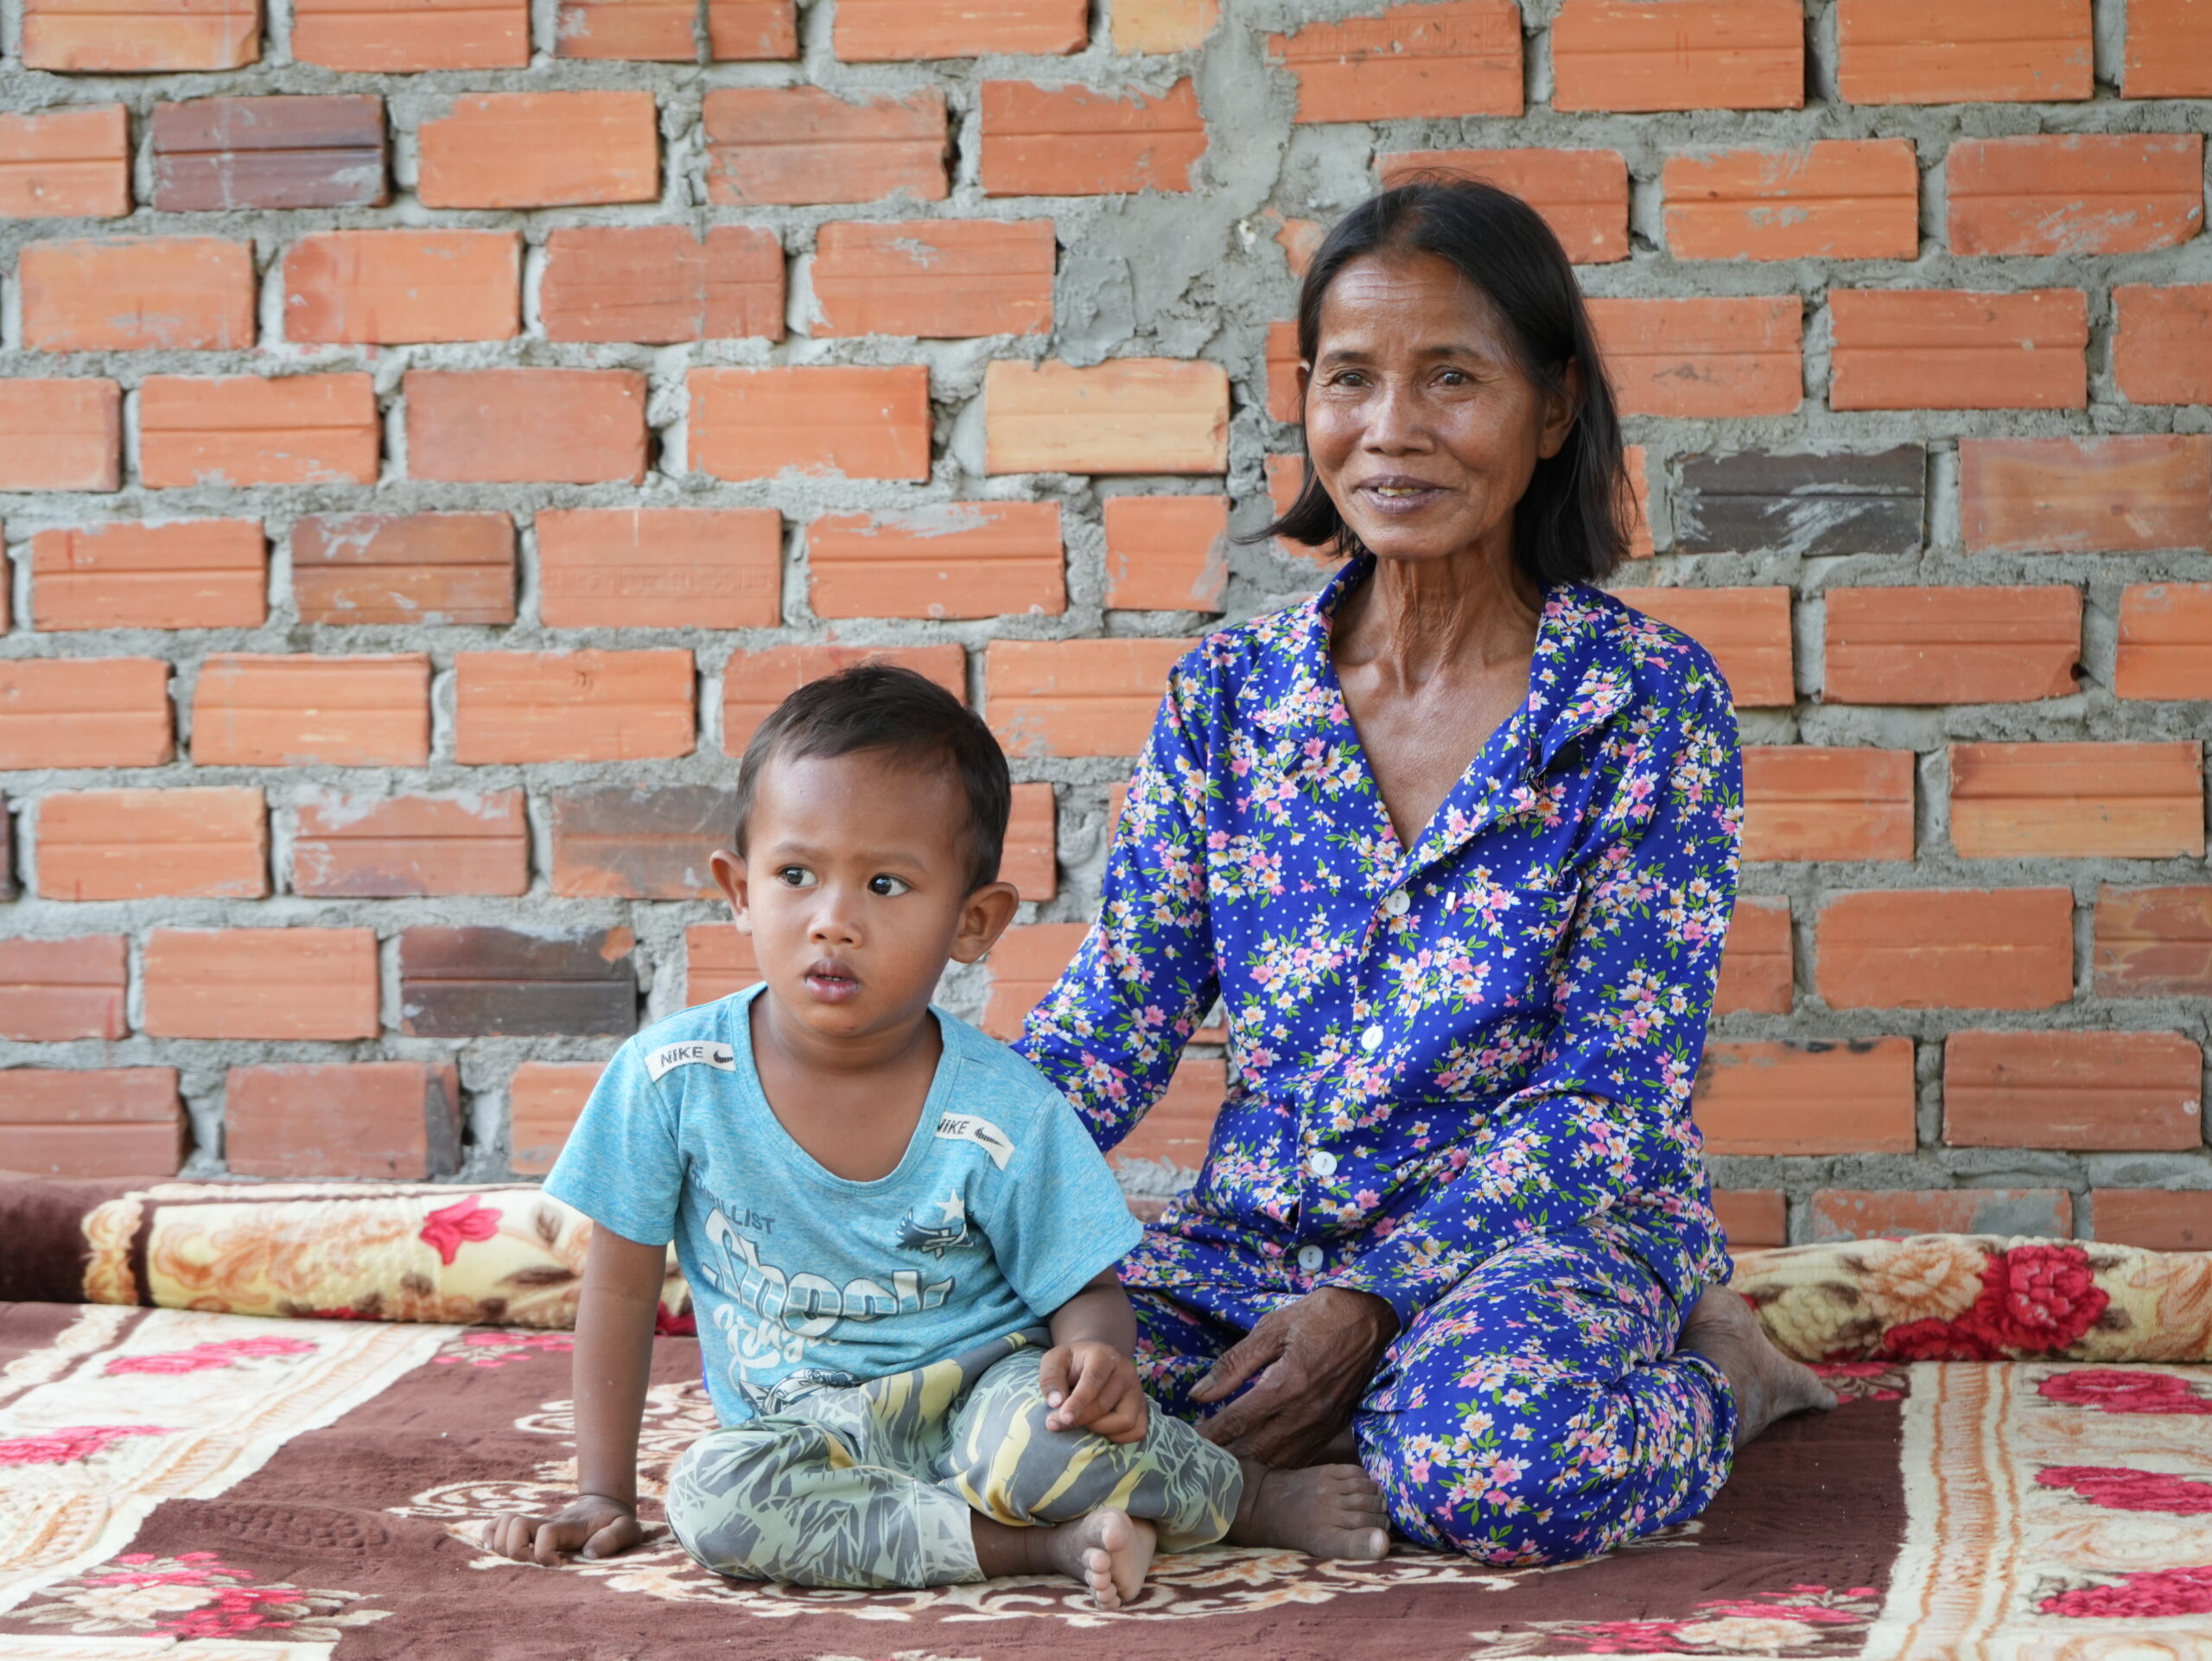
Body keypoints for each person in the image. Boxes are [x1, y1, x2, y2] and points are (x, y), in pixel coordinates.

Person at [1015, 178, 1836, 1569]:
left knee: (1487, 1467)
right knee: (1009, 1404)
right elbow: (1114, 1015)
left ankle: (1724, 1378)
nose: (1391, 429)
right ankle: (1341, 1427)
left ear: (1554, 409)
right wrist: (922, 1184)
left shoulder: (1642, 704)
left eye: (1452, 378)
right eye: (1352, 379)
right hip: (1257, 1245)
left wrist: (1377, 1303)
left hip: (1536, 1231)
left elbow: (1613, 1093)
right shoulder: (1231, 693)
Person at [480, 665, 1388, 1608]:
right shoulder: (670, 1080)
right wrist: (600, 1489)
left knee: (1044, 1444)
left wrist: (1097, 1360)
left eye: (884, 883)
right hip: (801, 1433)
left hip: (981, 1403)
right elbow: (619, 1287)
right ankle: (1034, 1548)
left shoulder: (1002, 1107)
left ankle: (1241, 1493)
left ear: (972, 922)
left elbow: (1086, 1290)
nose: (833, 919)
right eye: (795, 874)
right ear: (738, 888)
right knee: (713, 1500)